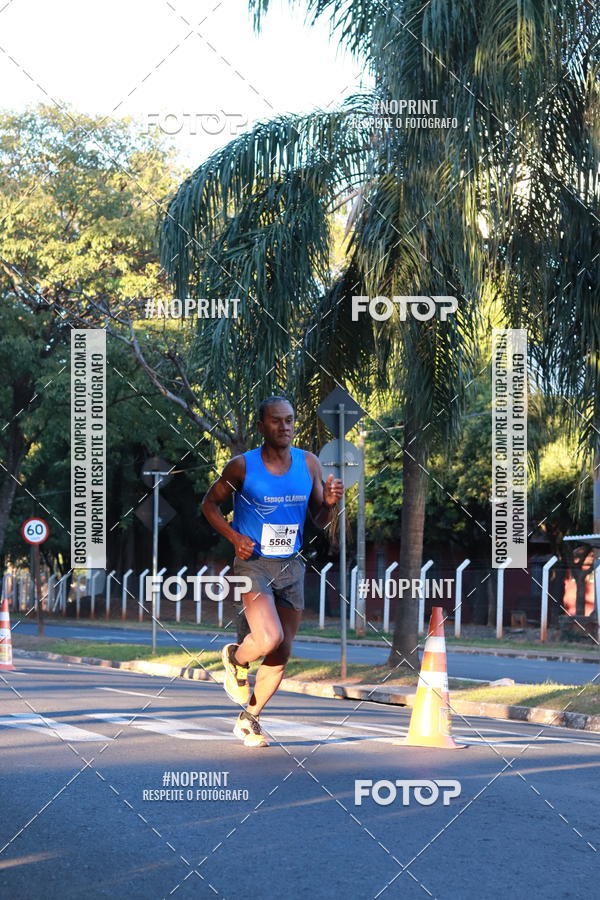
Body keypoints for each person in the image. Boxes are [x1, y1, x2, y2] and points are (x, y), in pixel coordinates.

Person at [201, 396, 343, 748]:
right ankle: (235, 657)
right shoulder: (241, 467)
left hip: (292, 564)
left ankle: (250, 719)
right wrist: (235, 538)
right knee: (268, 639)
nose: (285, 427)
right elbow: (208, 504)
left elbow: (318, 521)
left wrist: (329, 504)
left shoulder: (308, 464)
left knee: (282, 652)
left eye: (290, 420)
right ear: (262, 426)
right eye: (276, 421)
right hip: (253, 563)